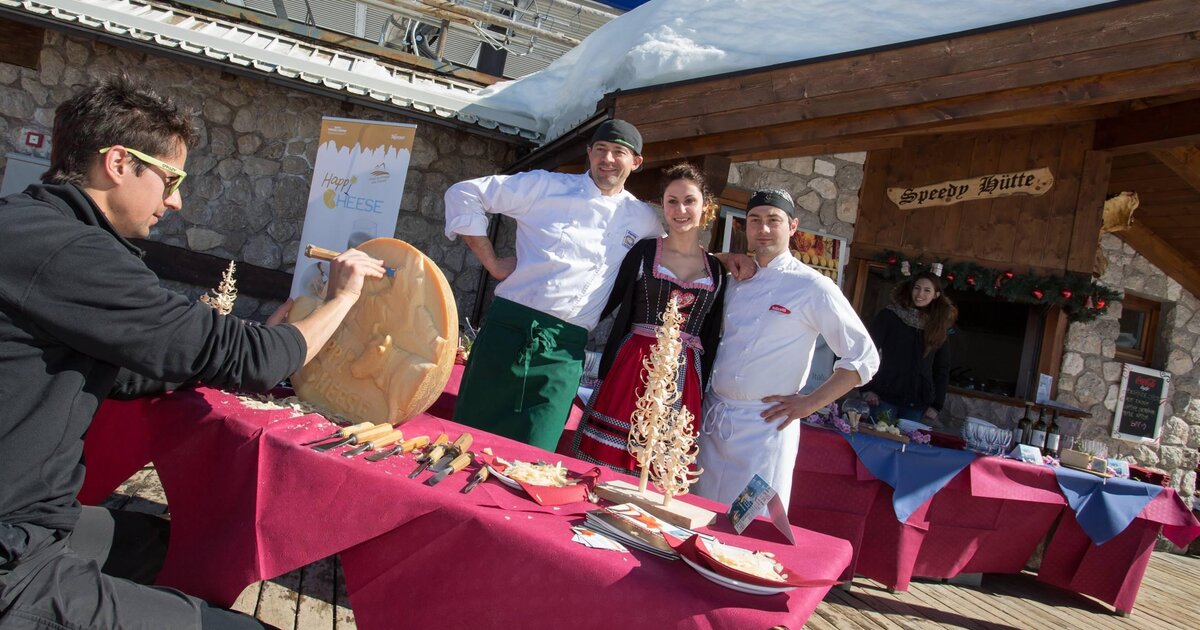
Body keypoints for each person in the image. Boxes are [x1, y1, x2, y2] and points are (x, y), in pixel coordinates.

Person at [0, 78, 385, 629]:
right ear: (117, 163)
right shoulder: (68, 252)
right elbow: (256, 361)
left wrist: (207, 360)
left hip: (33, 519)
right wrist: (341, 299)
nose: (176, 200)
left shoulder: (28, 225)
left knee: (167, 545)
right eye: (170, 178)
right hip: (14, 555)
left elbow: (114, 370)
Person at [444, 120, 752, 451]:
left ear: (635, 162)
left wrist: (720, 257)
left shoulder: (641, 218)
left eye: (619, 152)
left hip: (565, 349)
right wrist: (491, 261)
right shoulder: (543, 186)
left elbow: (674, 249)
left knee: (534, 450)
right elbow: (464, 193)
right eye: (601, 150)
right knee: (468, 439)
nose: (608, 159)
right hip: (507, 331)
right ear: (589, 153)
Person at [693, 189, 879, 510]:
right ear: (745, 227)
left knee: (746, 529)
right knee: (693, 513)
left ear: (793, 226)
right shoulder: (734, 278)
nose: (763, 229)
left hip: (765, 429)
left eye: (773, 221)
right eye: (755, 221)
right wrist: (723, 258)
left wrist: (809, 404)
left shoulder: (812, 286)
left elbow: (864, 357)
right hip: (713, 421)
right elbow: (681, 260)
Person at [570, 163, 728, 474]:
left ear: (705, 207)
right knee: (608, 464)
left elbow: (710, 336)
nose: (680, 209)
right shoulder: (643, 252)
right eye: (672, 201)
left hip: (684, 379)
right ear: (662, 205)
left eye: (689, 201)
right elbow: (607, 301)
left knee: (660, 471)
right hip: (633, 367)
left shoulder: (718, 271)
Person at [861, 270, 957, 425]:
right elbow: (867, 350)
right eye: (917, 288)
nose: (920, 294)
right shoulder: (890, 315)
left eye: (927, 290)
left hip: (916, 402)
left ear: (936, 295)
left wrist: (936, 405)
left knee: (905, 447)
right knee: (876, 442)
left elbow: (942, 368)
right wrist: (866, 389)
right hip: (883, 396)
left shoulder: (939, 326)